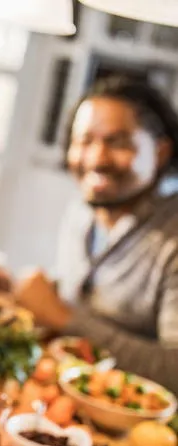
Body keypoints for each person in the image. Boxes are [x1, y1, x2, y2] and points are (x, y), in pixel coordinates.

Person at [14, 76, 178, 395]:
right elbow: (83, 296)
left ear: (159, 153)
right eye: (85, 141)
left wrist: (66, 319)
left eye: (118, 142)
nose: (96, 158)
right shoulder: (82, 211)